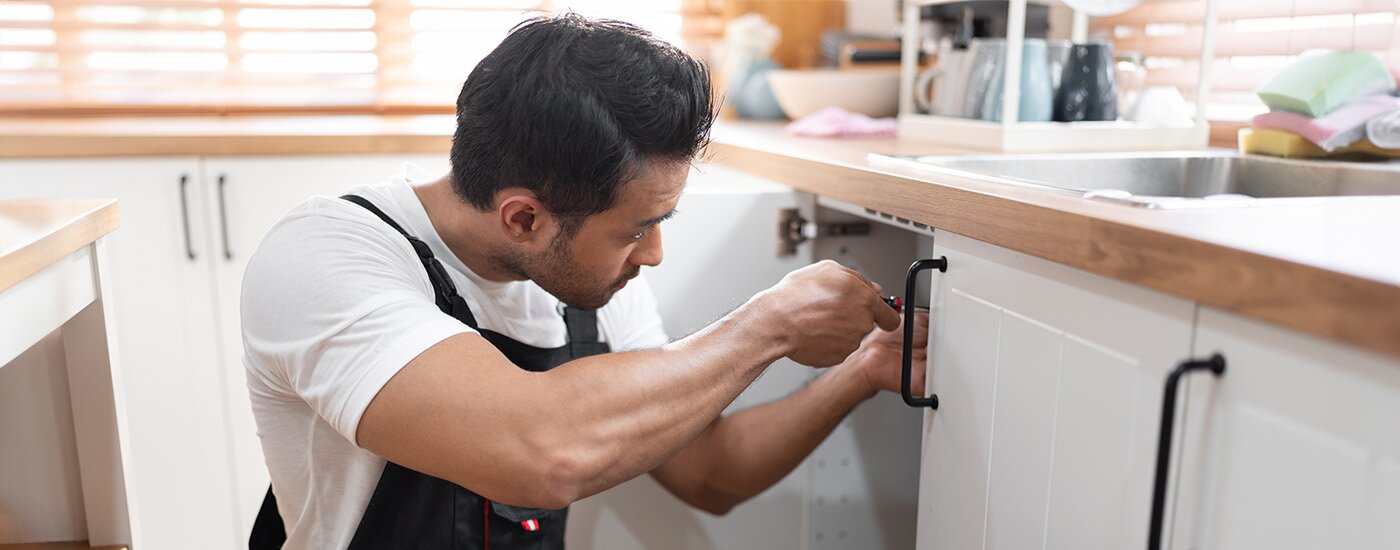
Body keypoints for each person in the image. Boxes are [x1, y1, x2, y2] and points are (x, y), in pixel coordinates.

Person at [241, 12, 928, 550]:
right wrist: (767, 325)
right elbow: (540, 452)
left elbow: (710, 470)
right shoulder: (326, 257)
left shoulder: (587, 279)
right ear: (524, 219)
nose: (653, 254)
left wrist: (865, 368)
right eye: (636, 229)